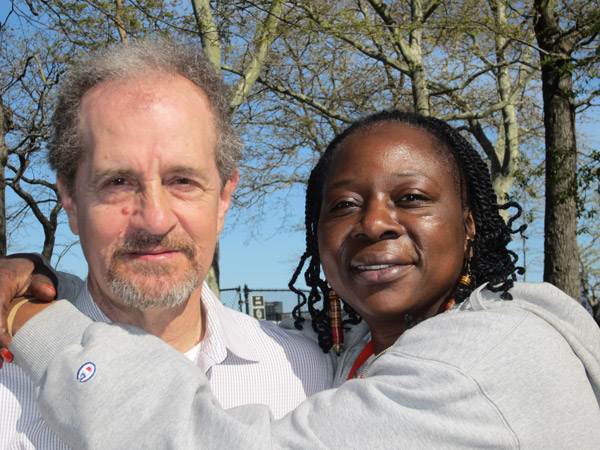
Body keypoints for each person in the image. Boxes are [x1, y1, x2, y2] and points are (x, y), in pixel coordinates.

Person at [6, 110, 600, 448]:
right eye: (343, 205)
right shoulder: (346, 359)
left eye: (412, 197)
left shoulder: (488, 359)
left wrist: (30, 317)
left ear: (470, 227)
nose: (374, 223)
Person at [0, 40, 330, 448]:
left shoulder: (308, 375)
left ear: (224, 198)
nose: (154, 220)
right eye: (117, 183)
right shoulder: (5, 387)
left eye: (183, 181)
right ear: (69, 199)